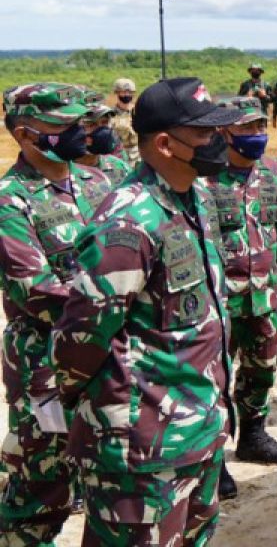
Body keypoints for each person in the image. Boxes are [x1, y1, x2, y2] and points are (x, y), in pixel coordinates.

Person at [52, 77, 243, 545]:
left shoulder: (194, 198)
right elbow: (82, 339)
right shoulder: (129, 221)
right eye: (204, 134)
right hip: (141, 450)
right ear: (165, 144)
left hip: (198, 431)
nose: (218, 142)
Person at [0, 83, 114, 543]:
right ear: (27, 135)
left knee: (108, 481)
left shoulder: (98, 182)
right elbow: (37, 292)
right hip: (45, 366)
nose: (79, 131)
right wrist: (126, 301)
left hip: (107, 357)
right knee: (44, 490)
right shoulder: (11, 200)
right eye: (64, 124)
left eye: (79, 121)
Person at [204, 97, 277, 501]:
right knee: (215, 379)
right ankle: (214, 460)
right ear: (224, 131)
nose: (256, 135)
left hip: (264, 295)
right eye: (245, 128)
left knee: (261, 367)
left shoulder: (274, 173)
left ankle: (253, 435)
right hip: (219, 300)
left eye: (260, 125)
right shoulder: (204, 177)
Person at [77, 95, 133, 185]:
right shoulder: (60, 172)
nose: (101, 131)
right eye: (91, 124)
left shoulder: (120, 167)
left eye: (104, 122)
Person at [110, 77, 139, 162]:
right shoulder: (110, 114)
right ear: (117, 93)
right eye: (124, 92)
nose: (127, 95)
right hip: (119, 157)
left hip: (139, 156)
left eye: (130, 92)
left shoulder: (139, 111)